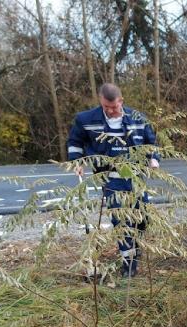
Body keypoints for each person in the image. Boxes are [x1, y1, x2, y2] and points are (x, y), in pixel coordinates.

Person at [67, 83, 159, 277]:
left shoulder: (138, 118)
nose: (110, 110)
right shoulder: (86, 120)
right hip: (109, 176)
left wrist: (153, 159)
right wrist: (77, 161)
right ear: (101, 102)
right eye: (106, 107)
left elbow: (151, 143)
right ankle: (129, 264)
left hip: (134, 175)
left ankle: (135, 246)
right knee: (122, 218)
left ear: (121, 101)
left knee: (142, 217)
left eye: (114, 107)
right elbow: (75, 142)